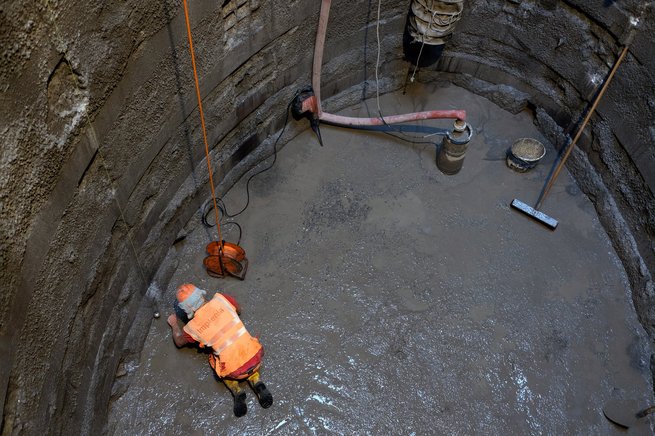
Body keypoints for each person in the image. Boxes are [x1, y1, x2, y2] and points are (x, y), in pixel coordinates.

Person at [167, 283, 273, 417]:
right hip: (256, 356)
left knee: (215, 359)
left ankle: (236, 390)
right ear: (201, 294)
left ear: (186, 309)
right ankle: (256, 381)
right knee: (242, 348)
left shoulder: (192, 328)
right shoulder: (222, 299)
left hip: (235, 372)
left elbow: (179, 342)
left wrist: (174, 324)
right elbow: (238, 310)